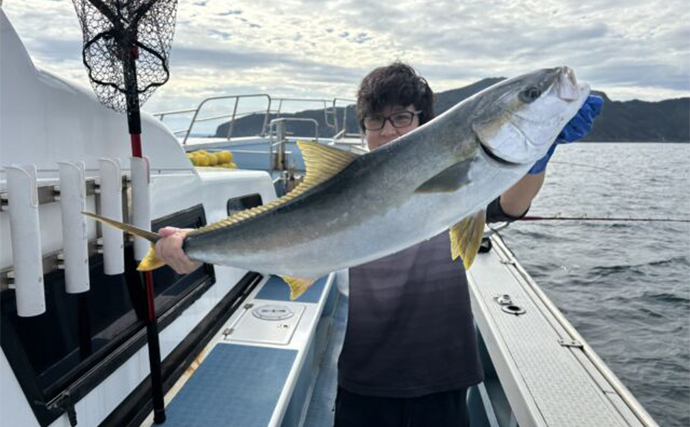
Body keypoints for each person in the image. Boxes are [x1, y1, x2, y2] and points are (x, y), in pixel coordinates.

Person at [154, 62, 603, 426]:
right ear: (364, 127)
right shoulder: (348, 177)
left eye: (403, 117)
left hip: (444, 374)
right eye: (375, 120)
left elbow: (511, 202)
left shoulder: (475, 177)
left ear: (425, 121)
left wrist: (539, 159)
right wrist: (194, 245)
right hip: (364, 377)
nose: (388, 131)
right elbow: (279, 234)